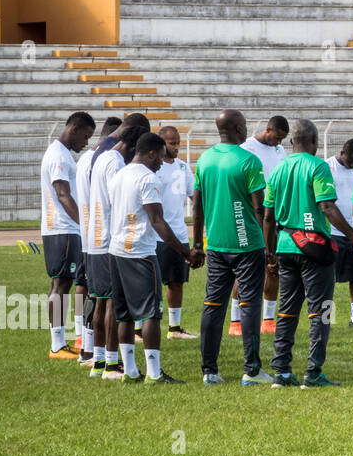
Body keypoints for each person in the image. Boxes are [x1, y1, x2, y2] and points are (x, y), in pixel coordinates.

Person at [261, 119, 353, 388]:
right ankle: (313, 372)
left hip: (284, 246)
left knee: (287, 309)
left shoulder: (279, 169)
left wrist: (270, 253)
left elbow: (268, 217)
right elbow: (327, 206)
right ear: (315, 142)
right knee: (323, 310)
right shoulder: (318, 167)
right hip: (314, 248)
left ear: (292, 142)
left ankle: (281, 371)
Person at [193, 109, 274, 386]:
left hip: (216, 244)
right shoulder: (248, 160)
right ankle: (251, 371)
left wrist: (197, 242)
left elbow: (197, 204)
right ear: (239, 128)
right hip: (247, 244)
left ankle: (209, 371)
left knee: (213, 305)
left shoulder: (204, 159)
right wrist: (267, 244)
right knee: (250, 304)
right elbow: (259, 207)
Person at [107, 132, 191, 384]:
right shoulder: (147, 178)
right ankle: (154, 373)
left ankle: (130, 371)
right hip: (141, 253)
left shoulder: (119, 174)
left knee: (124, 314)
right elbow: (157, 220)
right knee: (151, 314)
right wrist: (185, 252)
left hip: (117, 250)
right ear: (152, 153)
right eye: (160, 158)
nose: (161, 164)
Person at [86, 119, 150, 379]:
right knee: (113, 302)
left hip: (95, 239)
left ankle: (100, 360)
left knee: (102, 301)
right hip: (108, 239)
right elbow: (118, 199)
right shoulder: (115, 163)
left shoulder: (102, 156)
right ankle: (112, 363)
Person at [40, 112, 96, 360]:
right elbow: (63, 195)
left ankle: (60, 342)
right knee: (61, 283)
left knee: (63, 283)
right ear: (73, 129)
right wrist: (84, 224)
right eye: (85, 136)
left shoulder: (61, 154)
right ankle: (56, 345)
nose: (85, 142)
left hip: (64, 228)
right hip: (62, 229)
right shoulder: (59, 156)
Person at [74, 115, 120, 364]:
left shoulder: (85, 159)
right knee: (101, 296)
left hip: (88, 235)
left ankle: (86, 344)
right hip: (100, 237)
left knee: (91, 292)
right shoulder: (104, 159)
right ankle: (91, 349)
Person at [239, 116, 289, 336]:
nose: (278, 143)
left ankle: (268, 319)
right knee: (245, 269)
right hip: (251, 216)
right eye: (276, 137)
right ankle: (236, 321)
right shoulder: (246, 149)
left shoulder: (280, 151)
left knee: (273, 265)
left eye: (282, 140)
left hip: (276, 215)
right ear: (267, 129)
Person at [155, 126, 197, 340]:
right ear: (161, 144)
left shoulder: (182, 167)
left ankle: (174, 328)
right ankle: (139, 328)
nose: (177, 147)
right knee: (152, 283)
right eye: (172, 143)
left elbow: (194, 196)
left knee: (176, 281)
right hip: (157, 235)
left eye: (178, 142)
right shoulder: (153, 168)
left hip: (179, 234)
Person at [326, 139, 353, 328]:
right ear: (342, 152)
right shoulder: (327, 167)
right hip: (332, 231)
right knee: (327, 279)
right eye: (349, 161)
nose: (352, 165)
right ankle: (327, 317)